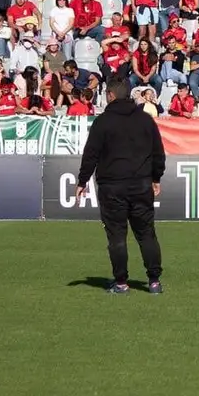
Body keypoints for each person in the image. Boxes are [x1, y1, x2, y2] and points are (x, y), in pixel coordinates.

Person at [75, 77, 165, 295]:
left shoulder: (103, 121)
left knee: (116, 235)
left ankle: (122, 282)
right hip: (141, 184)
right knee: (146, 233)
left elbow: (91, 155)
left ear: (111, 95)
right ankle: (154, 281)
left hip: (112, 186)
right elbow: (158, 153)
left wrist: (82, 181)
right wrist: (156, 178)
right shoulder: (145, 120)